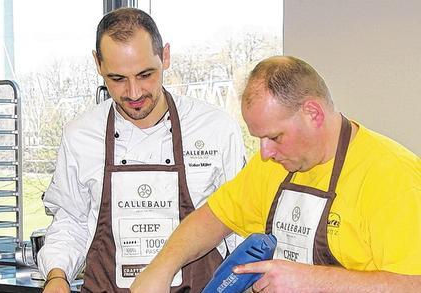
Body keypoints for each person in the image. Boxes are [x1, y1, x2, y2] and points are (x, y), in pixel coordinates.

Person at [131, 56, 421, 292]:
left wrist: (312, 282)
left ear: (313, 113)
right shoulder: (273, 164)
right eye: (259, 139)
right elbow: (214, 217)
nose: (265, 152)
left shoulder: (392, 176)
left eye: (275, 137)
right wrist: (161, 268)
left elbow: (413, 284)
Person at [37, 7, 246, 292]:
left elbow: (239, 226)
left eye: (145, 74)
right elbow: (71, 220)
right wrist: (57, 275)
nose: (134, 93)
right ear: (98, 64)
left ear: (166, 56)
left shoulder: (216, 129)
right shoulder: (80, 135)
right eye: (117, 79)